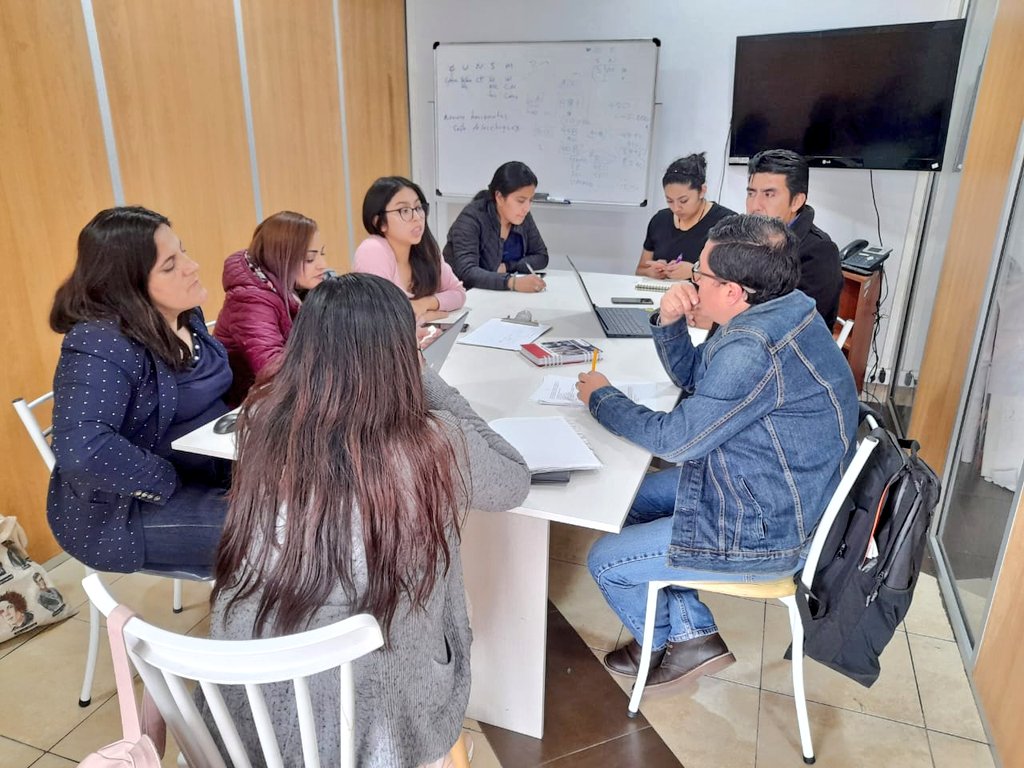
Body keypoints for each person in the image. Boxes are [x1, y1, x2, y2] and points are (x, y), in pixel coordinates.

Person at [204, 274, 530, 767]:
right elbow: (513, 479)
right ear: (401, 355)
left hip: (247, 709)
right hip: (381, 724)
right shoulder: (435, 444)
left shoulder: (261, 420)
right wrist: (425, 378)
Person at [576, 214, 858, 689]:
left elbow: (677, 441)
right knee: (629, 499)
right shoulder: (785, 306)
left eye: (699, 274)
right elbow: (696, 381)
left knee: (607, 561)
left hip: (767, 527)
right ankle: (692, 635)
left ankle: (660, 643)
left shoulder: (754, 345)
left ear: (731, 290)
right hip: (765, 487)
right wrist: (668, 321)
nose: (692, 280)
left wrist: (600, 398)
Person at [48, 206, 231, 575]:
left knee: (325, 495)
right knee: (287, 533)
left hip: (211, 469)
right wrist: (167, 479)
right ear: (127, 285)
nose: (191, 266)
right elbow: (82, 451)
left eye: (183, 251)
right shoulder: (99, 340)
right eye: (169, 265)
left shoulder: (185, 315)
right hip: (130, 508)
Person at [214, 211, 329, 406]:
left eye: (322, 254)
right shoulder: (250, 300)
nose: (323, 265)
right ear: (281, 258)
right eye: (310, 259)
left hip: (287, 394)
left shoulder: (294, 287)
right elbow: (272, 368)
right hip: (250, 403)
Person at [745, 149, 844, 329]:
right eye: (751, 193)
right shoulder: (751, 236)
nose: (754, 206)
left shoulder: (819, 253)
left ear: (796, 201)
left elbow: (795, 326)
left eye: (769, 194)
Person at [353, 176, 466, 321]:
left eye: (418, 208)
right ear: (379, 222)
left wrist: (423, 304)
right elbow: (380, 319)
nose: (417, 217)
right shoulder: (372, 250)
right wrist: (426, 316)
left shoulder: (426, 249)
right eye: (404, 210)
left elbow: (458, 294)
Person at [443, 161, 548, 292]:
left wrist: (508, 267)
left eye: (530, 200)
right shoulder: (471, 218)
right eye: (521, 201)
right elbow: (467, 272)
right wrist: (512, 282)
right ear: (499, 197)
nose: (527, 208)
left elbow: (541, 256)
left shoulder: (523, 216)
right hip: (467, 296)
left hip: (499, 293)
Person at [635, 153, 736, 280]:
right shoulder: (659, 220)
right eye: (669, 201)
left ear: (702, 191)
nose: (676, 208)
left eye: (683, 201)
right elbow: (640, 270)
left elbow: (735, 279)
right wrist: (651, 272)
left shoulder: (726, 223)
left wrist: (695, 272)